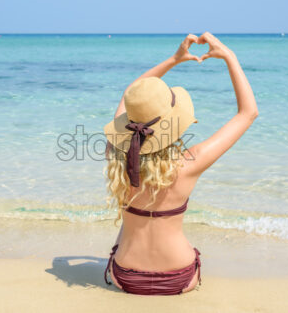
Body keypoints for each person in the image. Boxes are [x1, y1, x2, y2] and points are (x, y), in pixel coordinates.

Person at [102, 32, 259, 295]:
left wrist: (173, 59)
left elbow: (132, 92)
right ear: (172, 122)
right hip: (180, 278)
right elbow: (248, 112)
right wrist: (229, 56)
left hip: (125, 278)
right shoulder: (188, 163)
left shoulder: (117, 152)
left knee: (129, 222)